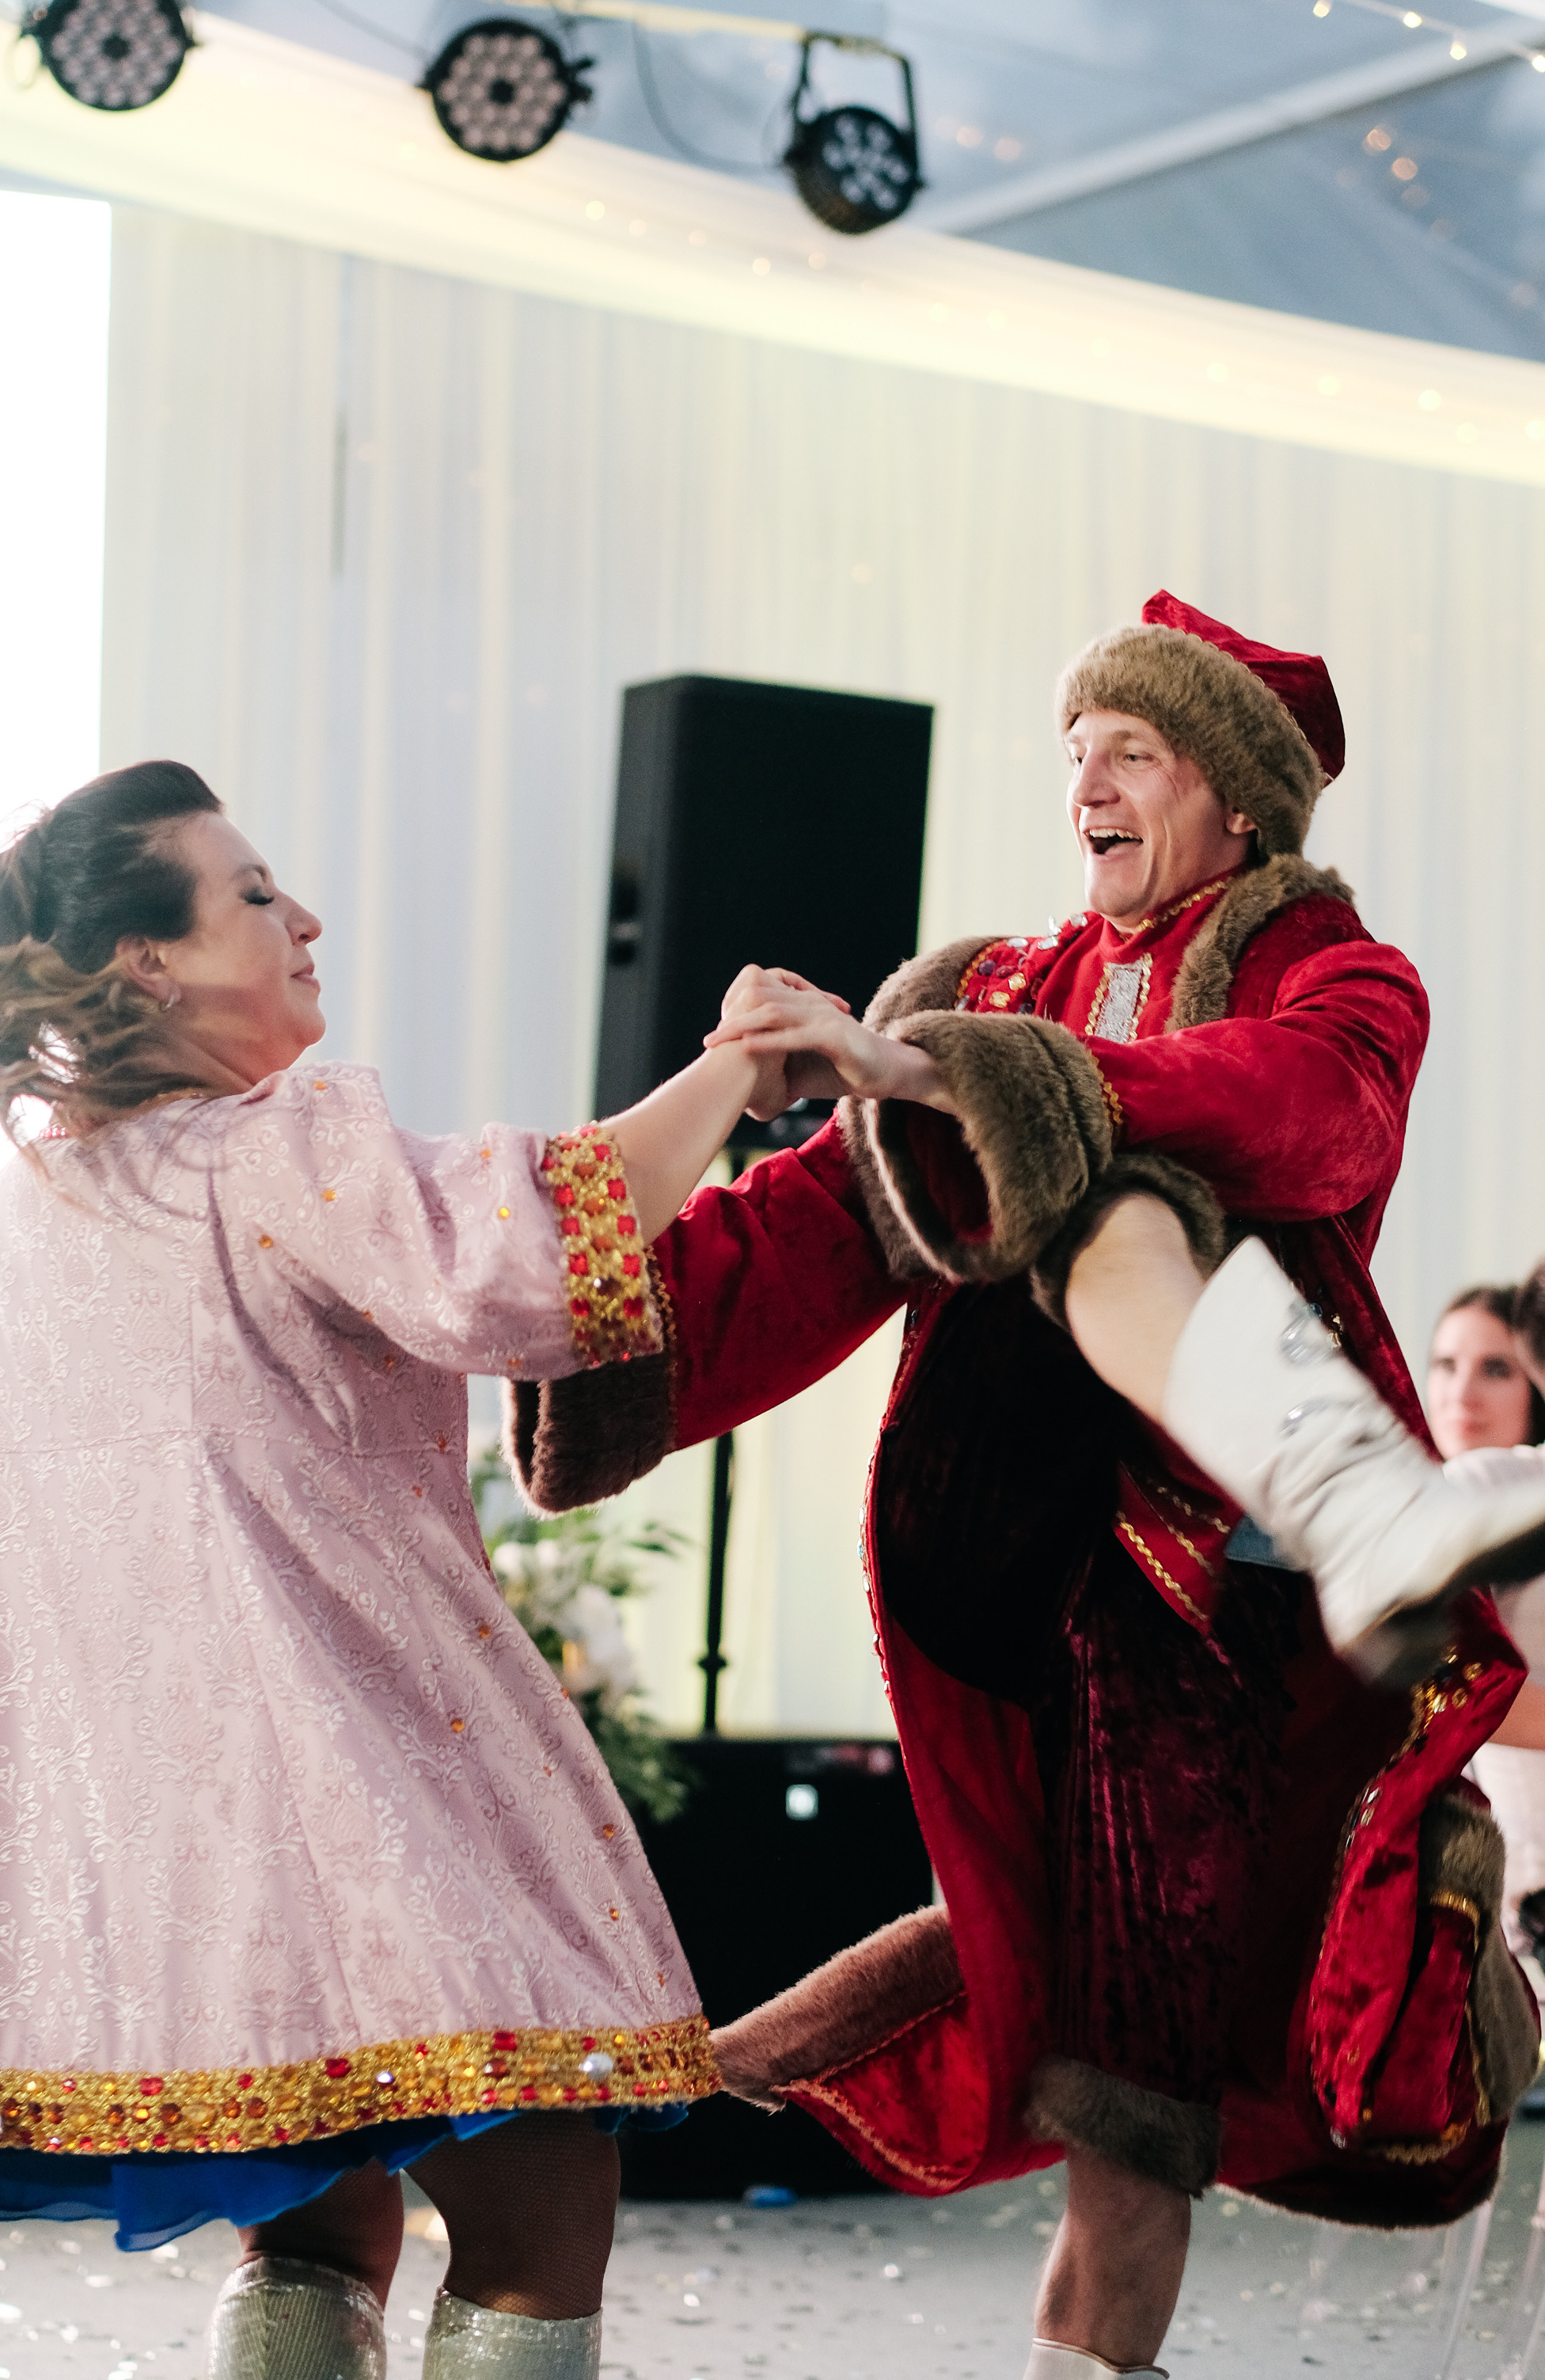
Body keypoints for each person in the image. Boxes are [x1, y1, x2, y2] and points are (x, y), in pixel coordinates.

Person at [508, 595, 1545, 2380]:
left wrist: (973, 1079)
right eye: (1072, 750)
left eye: (1129, 750)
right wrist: (600, 1320)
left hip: (1201, 1603)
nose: (1085, 782)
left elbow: (1306, 1115)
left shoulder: (1334, 975)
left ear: (1233, 797)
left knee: (1124, 2083)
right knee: (1062, 1989)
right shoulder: (987, 984)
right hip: (1007, 1562)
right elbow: (820, 1228)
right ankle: (721, 2068)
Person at [0, 758, 792, 2380]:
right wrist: (733, 1067)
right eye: (251, 894)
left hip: (164, 1817)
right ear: (145, 963)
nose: (302, 917)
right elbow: (512, 1267)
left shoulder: (33, 1196)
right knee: (542, 2198)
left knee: (320, 2204)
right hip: (337, 1757)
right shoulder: (273, 1142)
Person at [1429, 1285, 1545, 1957]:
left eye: (1492, 1367)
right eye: (1443, 1364)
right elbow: (1451, 1691)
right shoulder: (1476, 1491)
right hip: (1509, 1902)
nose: (1460, 1393)